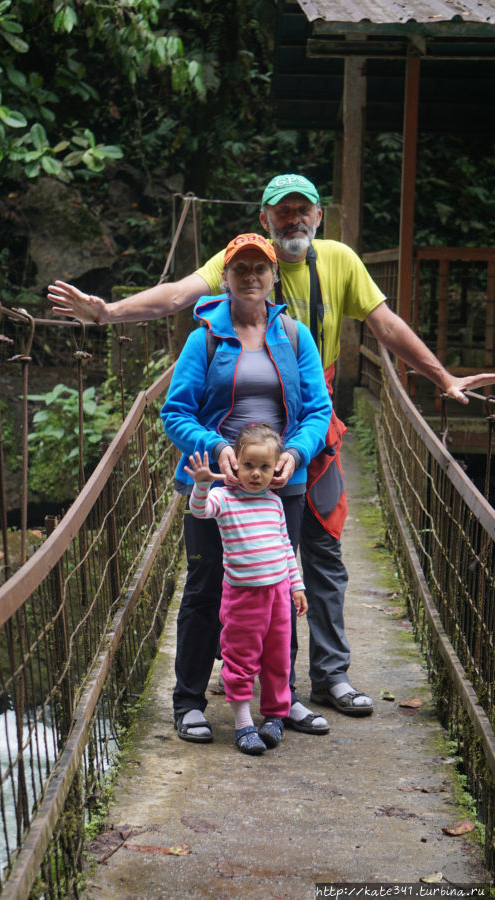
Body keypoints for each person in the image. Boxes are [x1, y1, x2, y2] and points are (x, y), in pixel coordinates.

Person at [48, 173, 495, 732]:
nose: (292, 222)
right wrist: (109, 313)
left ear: (317, 218)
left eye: (302, 211)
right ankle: (202, 695)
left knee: (315, 561)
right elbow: (178, 298)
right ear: (260, 228)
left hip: (302, 445)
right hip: (222, 472)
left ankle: (313, 685)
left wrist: (440, 376)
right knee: (212, 581)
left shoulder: (322, 288)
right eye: (281, 214)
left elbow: (381, 327)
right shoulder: (215, 314)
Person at [159, 232, 332, 742]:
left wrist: (296, 452)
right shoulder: (205, 338)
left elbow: (320, 408)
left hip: (283, 484)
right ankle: (189, 700)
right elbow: (176, 411)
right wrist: (218, 449)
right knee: (205, 585)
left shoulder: (295, 336)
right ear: (227, 278)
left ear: (275, 277)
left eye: (261, 268)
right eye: (240, 269)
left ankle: (282, 700)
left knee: (279, 587)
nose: (251, 276)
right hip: (217, 483)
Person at [184, 425, 307, 756]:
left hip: (278, 595)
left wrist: (297, 586)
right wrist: (201, 484)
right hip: (242, 596)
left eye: (265, 467)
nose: (256, 474)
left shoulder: (274, 503)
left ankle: (274, 716)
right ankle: (243, 724)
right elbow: (200, 510)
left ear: (276, 468)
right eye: (249, 465)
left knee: (278, 658)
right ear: (235, 462)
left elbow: (285, 547)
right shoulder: (224, 498)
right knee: (240, 659)